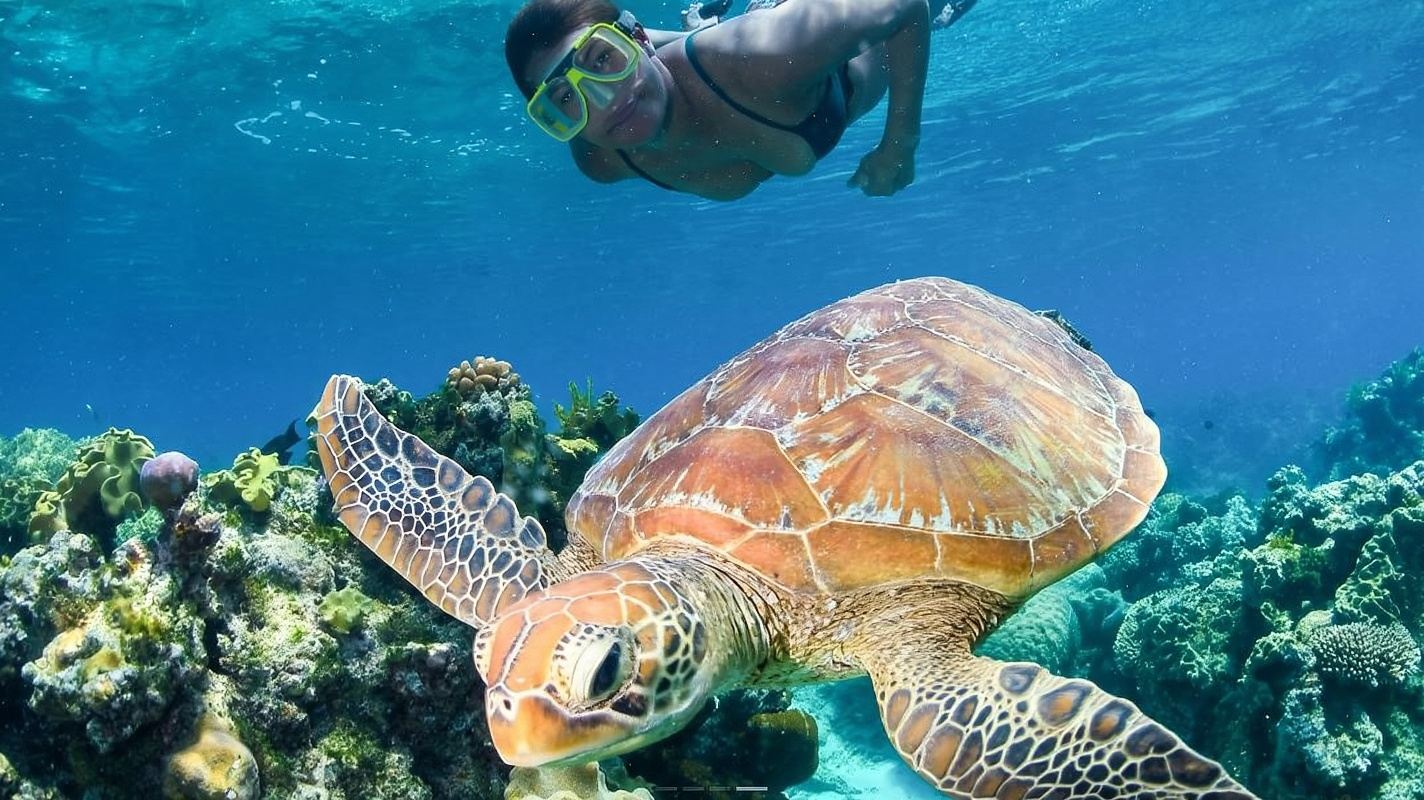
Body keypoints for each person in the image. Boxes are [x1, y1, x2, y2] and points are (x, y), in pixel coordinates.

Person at [504, 0, 976, 200]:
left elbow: (906, 6)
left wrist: (899, 144)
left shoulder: (760, 57)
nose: (603, 102)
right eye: (564, 97)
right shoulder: (600, 157)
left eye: (603, 59)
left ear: (640, 41)